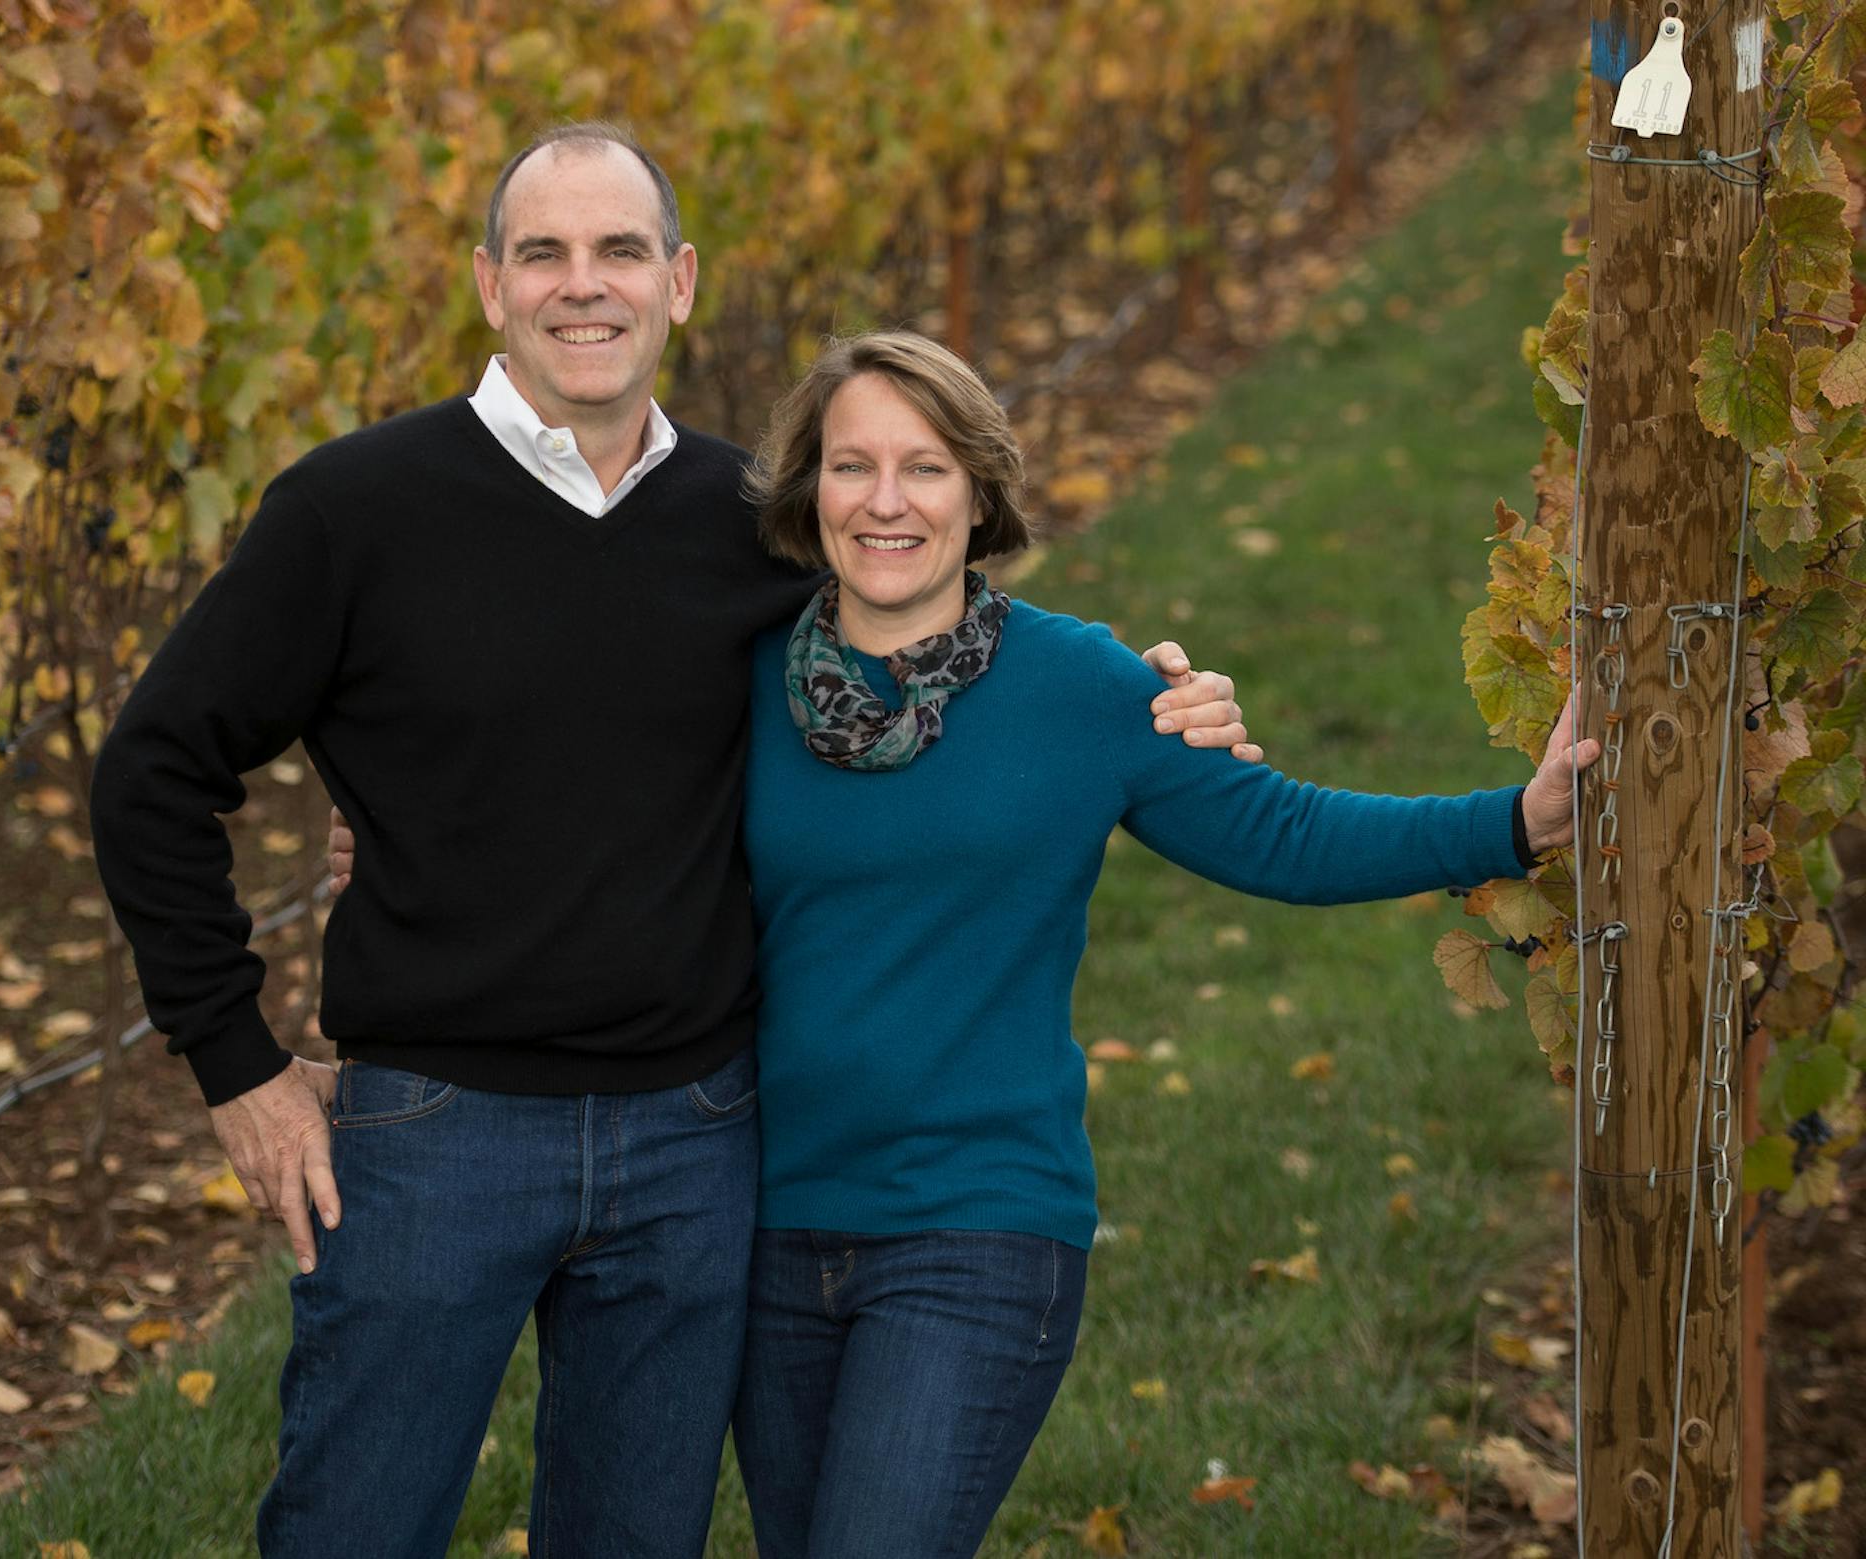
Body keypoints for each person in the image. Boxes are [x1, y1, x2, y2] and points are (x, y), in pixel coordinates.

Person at [88, 122, 1253, 1559]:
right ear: (490, 284)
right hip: (437, 1130)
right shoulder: (354, 509)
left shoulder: (752, 524)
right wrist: (239, 1067)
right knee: (353, 1527)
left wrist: (1154, 699)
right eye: (546, 253)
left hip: (694, 1140)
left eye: (621, 250)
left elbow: (926, 648)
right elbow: (152, 770)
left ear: (680, 280)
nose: (587, 286)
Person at [331, 331, 1592, 1557]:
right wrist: (396, 848)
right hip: (761, 1222)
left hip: (978, 1226)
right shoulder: (736, 676)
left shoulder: (1084, 687)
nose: (888, 502)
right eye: (852, 465)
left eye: (926, 467)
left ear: (981, 495)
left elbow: (1287, 834)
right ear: (806, 491)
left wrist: (1514, 823)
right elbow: (579, 816)